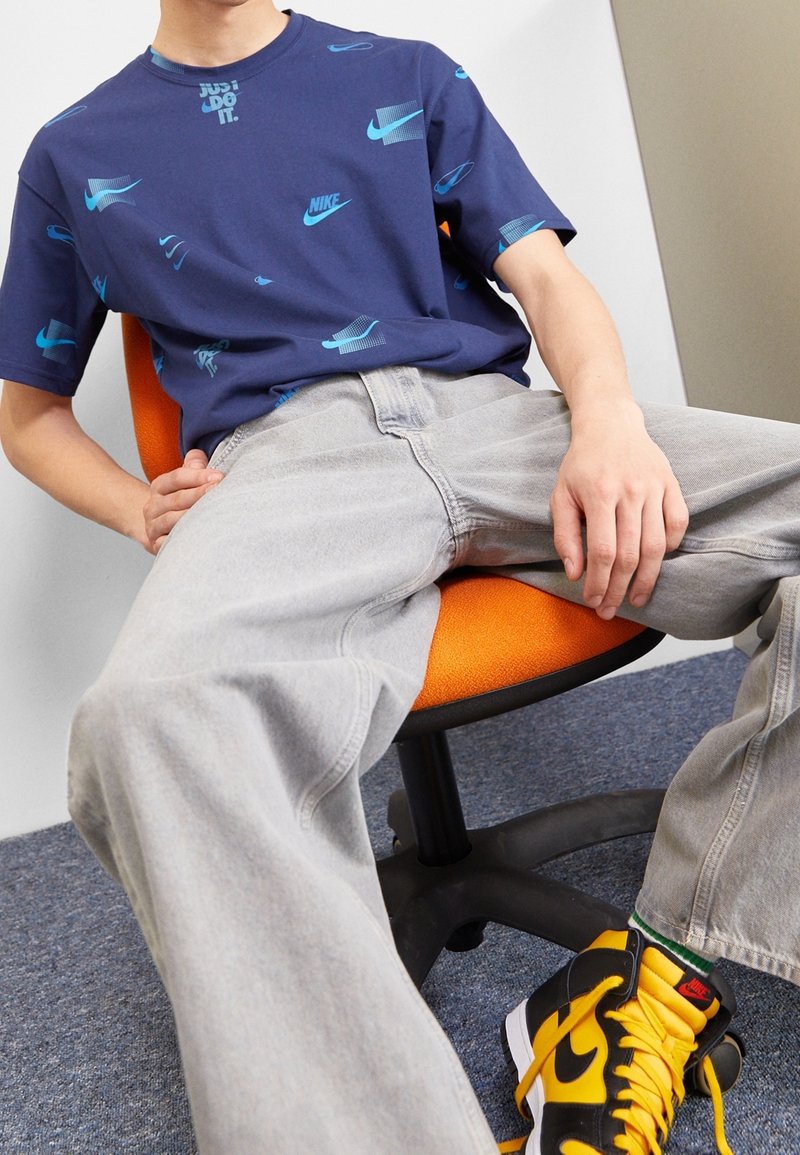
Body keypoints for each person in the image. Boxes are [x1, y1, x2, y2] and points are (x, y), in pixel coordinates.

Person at [0, 2, 798, 1152]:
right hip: (287, 464)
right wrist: (136, 505)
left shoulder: (405, 74)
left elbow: (545, 279)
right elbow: (27, 412)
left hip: (494, 423)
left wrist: (608, 421)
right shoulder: (76, 153)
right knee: (143, 720)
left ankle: (649, 974)